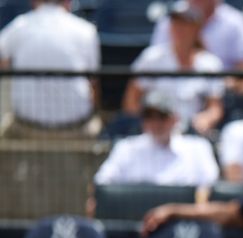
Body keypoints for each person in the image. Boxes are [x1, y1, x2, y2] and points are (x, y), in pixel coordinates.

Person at [88, 90, 219, 216]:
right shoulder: (127, 148)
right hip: (135, 221)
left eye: (161, 117)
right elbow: (101, 182)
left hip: (182, 225)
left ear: (175, 118)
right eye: (149, 117)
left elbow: (210, 186)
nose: (155, 123)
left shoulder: (197, 148)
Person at [0, 0, 101, 139]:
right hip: (72, 127)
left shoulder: (19, 26)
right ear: (68, 2)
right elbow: (93, 83)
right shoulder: (86, 30)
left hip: (33, 127)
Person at [123, 1, 225, 136]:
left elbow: (215, 107)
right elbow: (131, 101)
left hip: (192, 133)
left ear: (196, 28)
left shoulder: (210, 63)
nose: (179, 29)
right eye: (176, 23)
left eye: (185, 24)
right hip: (155, 132)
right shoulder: (152, 58)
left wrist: (205, 118)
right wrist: (150, 122)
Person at [150, 0, 243, 71]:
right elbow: (156, 60)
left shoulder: (237, 21)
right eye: (179, 28)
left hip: (224, 92)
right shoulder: (169, 20)